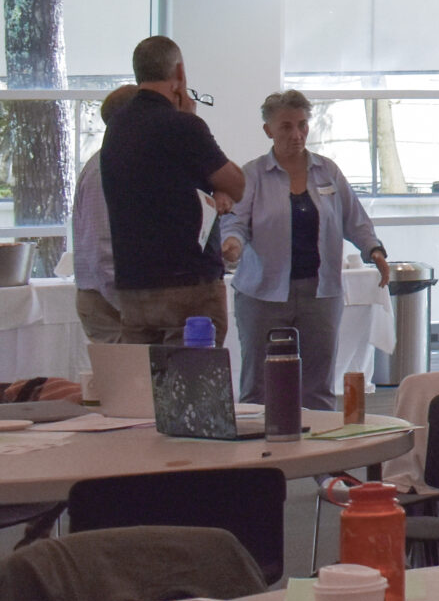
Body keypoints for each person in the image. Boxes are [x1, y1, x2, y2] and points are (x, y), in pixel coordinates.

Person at [219, 90, 391, 409]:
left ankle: (317, 452)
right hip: (263, 293)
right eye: (286, 126)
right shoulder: (252, 174)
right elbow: (235, 223)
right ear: (268, 130)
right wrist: (232, 245)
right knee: (258, 385)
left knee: (318, 386)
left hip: (320, 292)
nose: (296, 134)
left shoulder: (328, 172)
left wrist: (375, 251)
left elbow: (355, 220)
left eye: (302, 125)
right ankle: (256, 453)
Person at [98, 36, 245, 345]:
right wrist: (190, 118)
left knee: (143, 386)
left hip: (134, 285)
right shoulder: (183, 126)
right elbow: (237, 185)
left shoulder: (116, 128)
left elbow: (160, 186)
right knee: (192, 385)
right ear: (180, 73)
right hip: (188, 284)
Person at [69, 84, 142, 343]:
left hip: (123, 300)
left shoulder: (127, 163)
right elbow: (103, 252)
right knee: (130, 382)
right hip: (109, 304)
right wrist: (135, 310)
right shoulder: (104, 170)